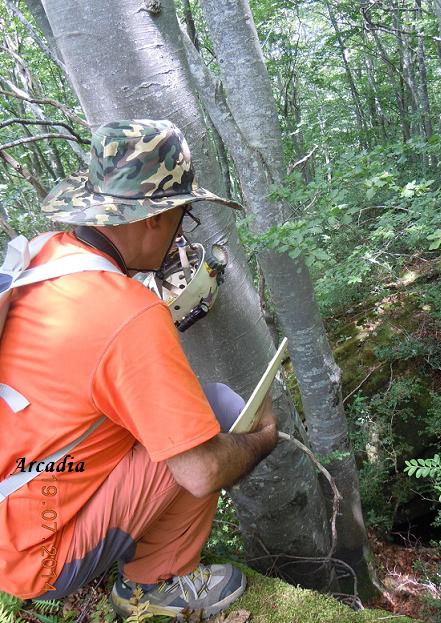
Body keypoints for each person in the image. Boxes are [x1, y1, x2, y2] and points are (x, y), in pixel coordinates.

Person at [0, 120, 278, 619]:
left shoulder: (40, 256)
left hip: (13, 508)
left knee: (165, 416)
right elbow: (200, 471)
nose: (179, 234)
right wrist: (262, 439)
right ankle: (152, 586)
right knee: (213, 413)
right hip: (37, 560)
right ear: (155, 217)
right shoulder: (128, 313)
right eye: (183, 215)